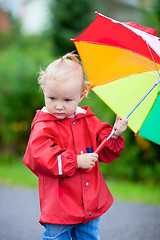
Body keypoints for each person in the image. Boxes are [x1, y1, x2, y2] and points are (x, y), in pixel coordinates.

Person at [23, 52, 128, 240]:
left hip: (89, 201)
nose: (59, 106)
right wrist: (76, 160)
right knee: (57, 237)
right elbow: (41, 157)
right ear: (43, 90)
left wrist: (115, 133)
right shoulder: (44, 125)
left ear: (82, 95)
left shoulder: (87, 119)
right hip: (59, 205)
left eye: (67, 100)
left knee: (88, 236)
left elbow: (105, 149)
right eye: (52, 98)